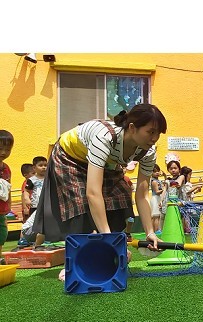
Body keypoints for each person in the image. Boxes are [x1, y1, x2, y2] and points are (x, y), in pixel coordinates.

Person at [32, 104, 165, 281]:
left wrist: (150, 232)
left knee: (120, 196)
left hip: (104, 161)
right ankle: (77, 261)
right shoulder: (104, 138)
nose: (155, 138)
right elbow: (93, 193)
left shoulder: (148, 151)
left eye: (158, 133)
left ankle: (107, 252)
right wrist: (109, 240)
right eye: (150, 132)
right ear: (132, 128)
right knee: (80, 204)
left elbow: (142, 193)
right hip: (69, 157)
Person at [0, 130, 14, 260]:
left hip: (1, 210)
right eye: (0, 149)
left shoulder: (6, 168)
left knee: (2, 234)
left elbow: (8, 187)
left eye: (7, 149)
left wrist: (9, 204)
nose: (3, 152)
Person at [149, 163, 164, 234]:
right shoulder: (154, 181)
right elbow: (157, 191)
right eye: (154, 171)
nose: (157, 173)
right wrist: (164, 189)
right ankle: (156, 230)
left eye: (158, 171)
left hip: (157, 198)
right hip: (156, 198)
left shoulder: (157, 180)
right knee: (156, 215)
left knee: (157, 215)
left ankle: (155, 230)